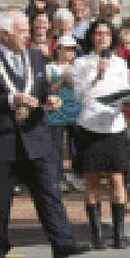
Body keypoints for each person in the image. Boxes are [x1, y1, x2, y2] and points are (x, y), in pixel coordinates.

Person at [0, 9, 89, 258]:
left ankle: (62, 243)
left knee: (48, 192)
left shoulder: (34, 56)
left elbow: (40, 89)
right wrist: (11, 100)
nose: (27, 36)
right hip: (2, 139)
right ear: (5, 35)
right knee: (0, 198)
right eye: (21, 32)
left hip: (35, 136)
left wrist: (48, 99)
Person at [72, 19, 130, 250]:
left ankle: (119, 233)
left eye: (106, 34)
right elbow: (80, 96)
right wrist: (98, 74)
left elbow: (125, 91)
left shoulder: (120, 63)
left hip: (114, 126)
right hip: (90, 126)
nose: (102, 38)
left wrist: (128, 101)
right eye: (98, 34)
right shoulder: (81, 63)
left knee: (117, 179)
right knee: (92, 180)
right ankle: (96, 233)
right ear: (91, 37)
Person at [46, 35, 82, 191]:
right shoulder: (49, 67)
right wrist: (61, 81)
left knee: (78, 146)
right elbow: (47, 90)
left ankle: (78, 176)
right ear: (58, 49)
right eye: (67, 49)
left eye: (72, 49)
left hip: (76, 111)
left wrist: (72, 83)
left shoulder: (79, 66)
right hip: (56, 112)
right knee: (56, 147)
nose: (70, 53)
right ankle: (57, 178)